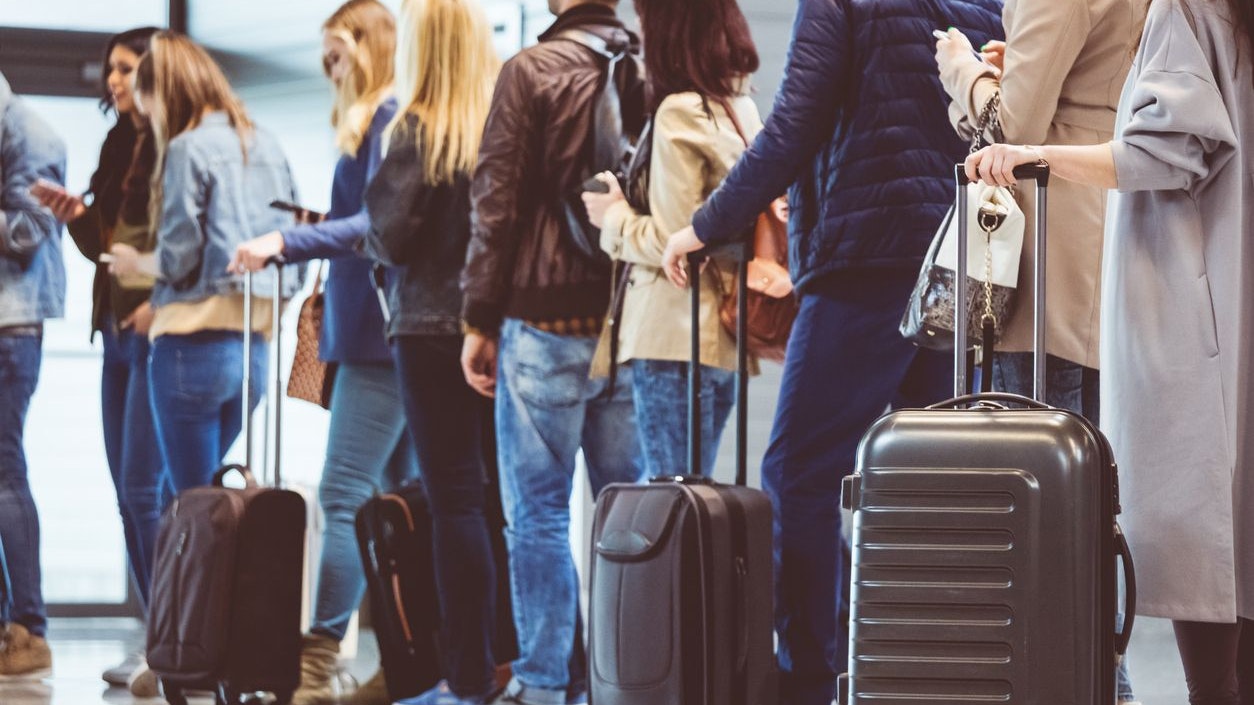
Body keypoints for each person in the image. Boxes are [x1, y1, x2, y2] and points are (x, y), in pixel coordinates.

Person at [658, 0, 1004, 702]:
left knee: (799, 472)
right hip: (956, 260)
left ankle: (810, 676)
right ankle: (915, 672)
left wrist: (704, 226)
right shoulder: (984, 1)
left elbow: (795, 122)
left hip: (865, 261)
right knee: (925, 484)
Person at [966, 0, 1254, 700]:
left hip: (1170, 295)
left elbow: (1161, 150)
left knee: (1174, 542)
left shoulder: (1190, 8)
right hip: (1217, 291)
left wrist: (1030, 150)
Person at [933, 2, 1145, 701]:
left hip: (1047, 253)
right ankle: (1103, 680)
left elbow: (1010, 128)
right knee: (1087, 500)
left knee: (1043, 508)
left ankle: (1086, 683)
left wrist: (961, 70)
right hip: (1099, 243)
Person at [458, 0, 646, 702]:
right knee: (629, 511)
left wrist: (478, 317)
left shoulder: (530, 70)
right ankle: (627, 677)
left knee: (537, 512)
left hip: (542, 319)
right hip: (632, 319)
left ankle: (541, 683)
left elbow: (495, 201)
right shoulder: (651, 64)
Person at [228, 3, 415, 703]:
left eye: (336, 53)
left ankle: (317, 657)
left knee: (344, 496)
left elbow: (377, 223)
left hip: (381, 339)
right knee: (395, 504)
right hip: (379, 335)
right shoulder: (378, 120)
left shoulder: (389, 116)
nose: (327, 67)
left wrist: (289, 241)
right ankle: (405, 659)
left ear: (367, 48)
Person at [359, 1, 502, 702]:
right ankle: (529, 664)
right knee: (507, 503)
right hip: (503, 328)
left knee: (453, 504)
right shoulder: (506, 122)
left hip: (427, 328)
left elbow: (386, 233)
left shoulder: (415, 127)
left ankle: (468, 676)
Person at [29, 26, 173, 694]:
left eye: (126, 68)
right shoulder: (120, 142)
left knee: (149, 492)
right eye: (110, 71)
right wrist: (76, 214)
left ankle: (174, 640)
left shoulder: (178, 144)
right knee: (127, 491)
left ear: (156, 70)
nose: (113, 81)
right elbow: (106, 249)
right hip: (116, 330)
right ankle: (159, 633)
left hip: (162, 332)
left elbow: (181, 247)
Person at [110, 32, 301, 495]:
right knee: (210, 505)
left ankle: (177, 575)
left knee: (185, 507)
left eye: (148, 104)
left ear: (164, 95)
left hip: (190, 348)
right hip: (253, 353)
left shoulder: (187, 148)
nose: (150, 118)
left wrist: (137, 263)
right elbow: (293, 245)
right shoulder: (267, 143)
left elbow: (178, 259)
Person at [580, 0, 762, 478]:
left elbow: (673, 237)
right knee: (695, 496)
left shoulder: (679, 112)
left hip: (672, 334)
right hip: (721, 335)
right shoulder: (738, 105)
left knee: (673, 499)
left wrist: (614, 217)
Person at [0, 69, 67, 681]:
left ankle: (30, 628)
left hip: (11, 328)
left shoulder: (33, 135)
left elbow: (26, 232)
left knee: (5, 471)